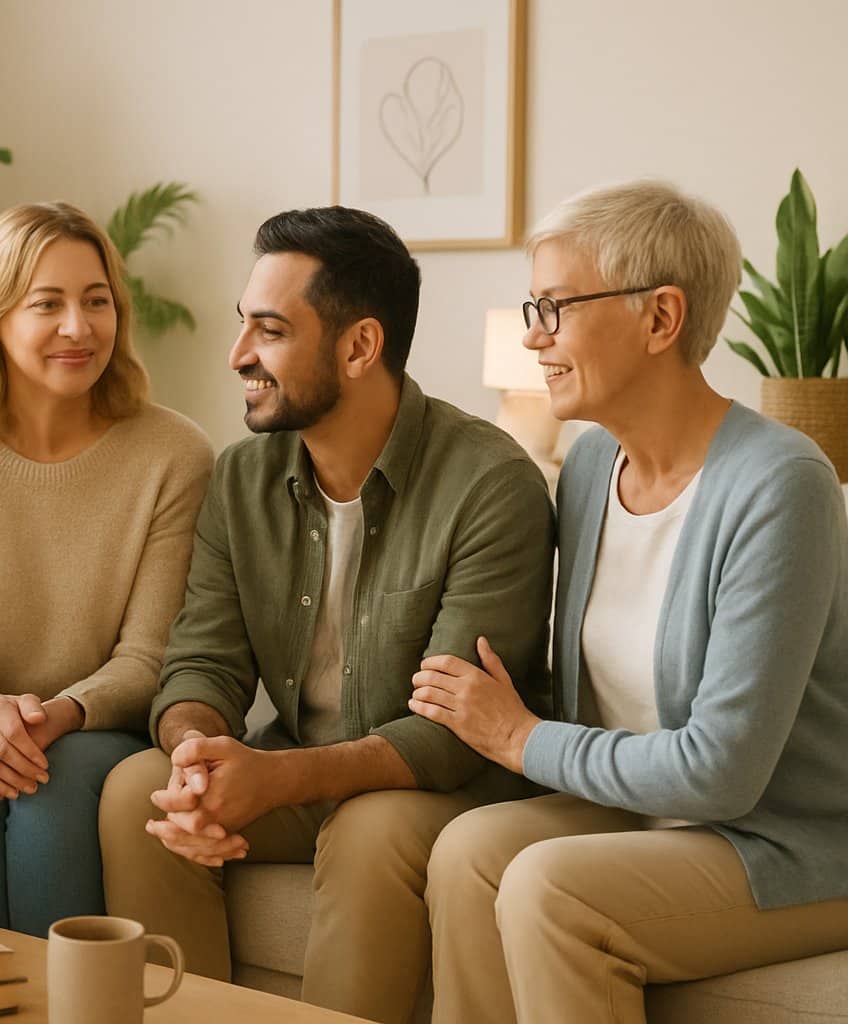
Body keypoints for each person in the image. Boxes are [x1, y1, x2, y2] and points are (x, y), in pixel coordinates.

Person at [97, 206, 554, 1024]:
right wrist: (197, 756)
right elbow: (201, 661)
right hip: (305, 770)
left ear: (359, 346)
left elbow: (456, 732)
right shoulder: (240, 480)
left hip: (445, 787)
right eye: (245, 326)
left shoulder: (491, 485)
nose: (239, 355)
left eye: (269, 332)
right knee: (141, 791)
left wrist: (277, 777)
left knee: (370, 830)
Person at [413, 179, 848, 1023]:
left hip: (787, 842)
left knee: (550, 887)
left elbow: (721, 774)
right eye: (531, 308)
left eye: (556, 308)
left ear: (660, 319)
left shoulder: (781, 483)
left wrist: (522, 738)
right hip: (632, 813)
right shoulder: (584, 468)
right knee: (466, 851)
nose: (537, 337)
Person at [0, 201, 214, 936]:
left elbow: (150, 657)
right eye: (48, 305)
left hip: (98, 724)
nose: (79, 327)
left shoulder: (174, 455)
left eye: (96, 301)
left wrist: (55, 715)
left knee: (52, 781)